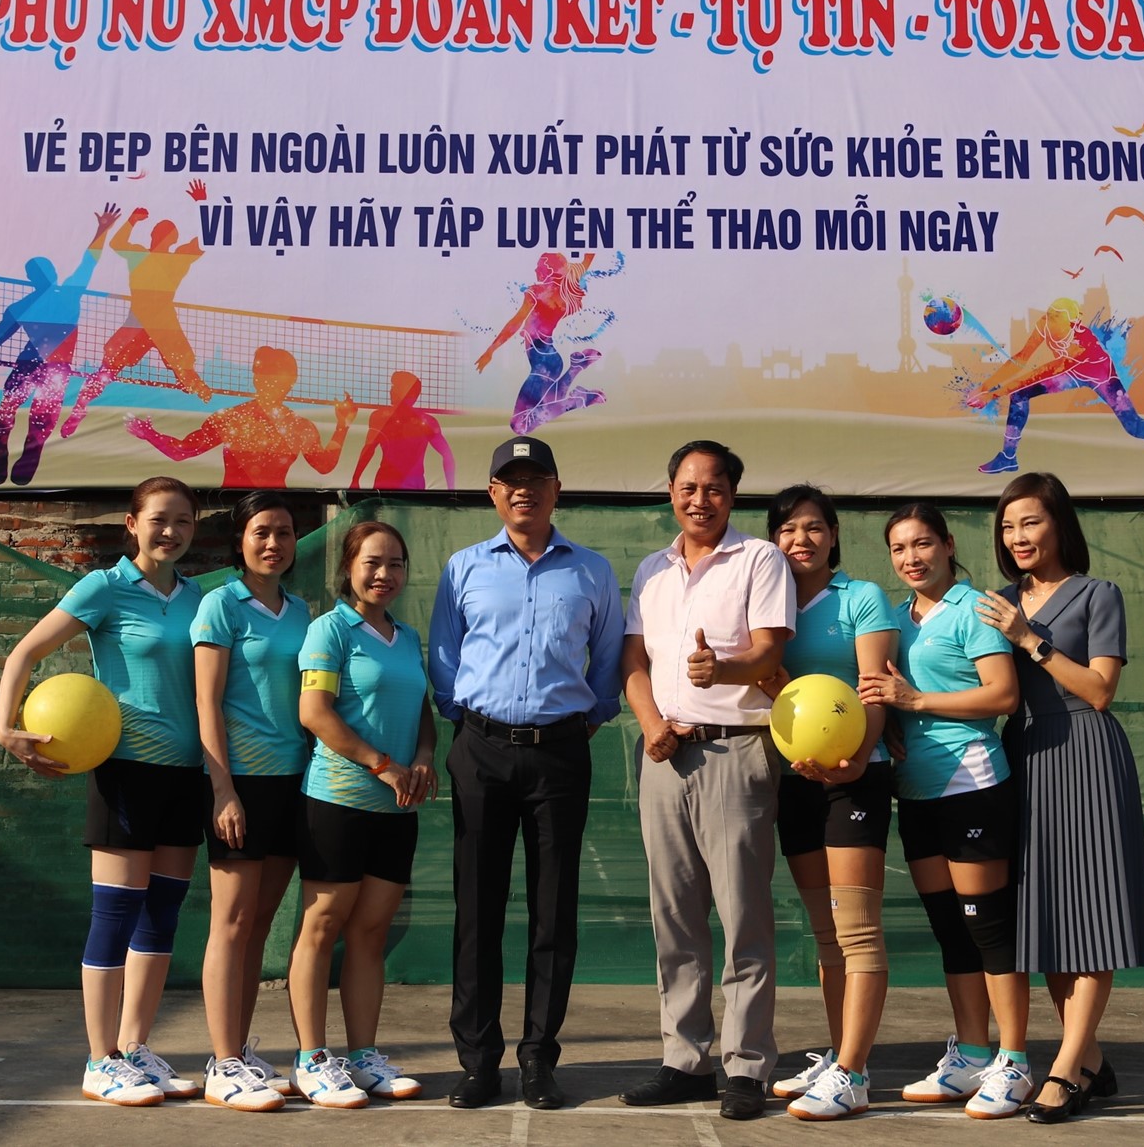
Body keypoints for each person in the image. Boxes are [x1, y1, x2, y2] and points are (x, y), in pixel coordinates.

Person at [0, 475, 207, 1107]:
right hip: (126, 773)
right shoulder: (104, 587)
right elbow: (23, 653)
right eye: (159, 519)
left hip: (186, 775)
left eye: (184, 521)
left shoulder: (200, 598)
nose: (171, 532)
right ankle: (99, 1059)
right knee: (115, 915)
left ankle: (135, 1050)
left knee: (161, 915)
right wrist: (6, 727)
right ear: (132, 525)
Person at [429, 436, 625, 1110]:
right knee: (476, 909)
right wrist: (467, 722)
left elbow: (606, 662)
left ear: (555, 489)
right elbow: (444, 656)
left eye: (536, 479)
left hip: (560, 752)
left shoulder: (591, 570)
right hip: (480, 749)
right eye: (510, 480)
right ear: (492, 492)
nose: (524, 491)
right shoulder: (463, 567)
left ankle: (539, 1057)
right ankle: (478, 1061)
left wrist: (579, 722)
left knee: (553, 911)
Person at [620, 439, 795, 1122]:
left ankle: (745, 1065)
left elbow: (768, 650)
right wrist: (651, 724)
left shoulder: (760, 559)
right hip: (664, 756)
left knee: (743, 915)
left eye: (714, 487)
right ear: (670, 492)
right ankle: (685, 1059)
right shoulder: (651, 570)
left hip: (736, 752)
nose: (700, 499)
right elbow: (633, 661)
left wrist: (720, 670)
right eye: (688, 487)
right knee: (674, 917)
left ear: (732, 494)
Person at [974, 471, 1144, 1124]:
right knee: (1046, 918)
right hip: (1021, 758)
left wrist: (1029, 638)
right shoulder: (994, 601)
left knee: (1092, 917)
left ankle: (1064, 1068)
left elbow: (1100, 689)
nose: (1017, 536)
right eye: (1007, 525)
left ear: (1059, 525)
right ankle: (1092, 1059)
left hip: (1085, 754)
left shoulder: (1099, 593)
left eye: (1030, 521)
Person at [864, 502, 1033, 1120]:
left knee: (987, 926)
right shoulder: (892, 619)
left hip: (973, 783)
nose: (911, 558)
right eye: (899, 548)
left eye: (923, 544)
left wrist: (917, 700)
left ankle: (1014, 1061)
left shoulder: (974, 609)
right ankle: (971, 1055)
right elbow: (884, 695)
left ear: (948, 544)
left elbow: (1003, 695)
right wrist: (892, 720)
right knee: (950, 930)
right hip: (915, 792)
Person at [287, 520, 439, 1109]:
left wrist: (422, 757)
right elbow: (315, 713)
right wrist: (382, 765)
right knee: (323, 926)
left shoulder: (407, 637)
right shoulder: (329, 630)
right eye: (372, 562)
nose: (384, 574)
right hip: (337, 801)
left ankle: (364, 1056)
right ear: (348, 568)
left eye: (395, 563)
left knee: (371, 933)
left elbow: (421, 708)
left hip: (397, 808)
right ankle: (311, 1059)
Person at [759, 485, 897, 1122]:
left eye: (814, 527)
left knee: (857, 929)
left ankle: (854, 1073)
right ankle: (840, 1055)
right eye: (788, 529)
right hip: (796, 777)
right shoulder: (768, 600)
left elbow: (875, 687)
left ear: (834, 535)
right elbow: (777, 687)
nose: (801, 540)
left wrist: (860, 756)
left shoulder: (861, 597)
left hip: (856, 778)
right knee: (826, 934)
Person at [189, 491, 311, 1111]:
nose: (274, 543)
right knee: (231, 923)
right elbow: (206, 703)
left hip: (294, 783)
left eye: (284, 532)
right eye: (262, 532)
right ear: (240, 541)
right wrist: (223, 790)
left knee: (260, 923)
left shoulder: (302, 610)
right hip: (239, 784)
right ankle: (223, 1065)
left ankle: (237, 1050)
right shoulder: (219, 604)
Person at [0, 203, 118, 486]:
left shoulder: (55, 297)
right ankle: (4, 450)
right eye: (42, 271)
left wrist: (102, 231)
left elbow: (88, 262)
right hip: (40, 367)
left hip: (48, 368)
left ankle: (26, 453)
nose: (47, 274)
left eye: (46, 270)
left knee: (33, 415)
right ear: (36, 278)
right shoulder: (42, 301)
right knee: (13, 411)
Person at [965, 297, 1144, 482]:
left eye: (1056, 317)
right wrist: (985, 387)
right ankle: (1008, 457)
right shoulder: (1044, 324)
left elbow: (1043, 372)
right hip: (1071, 371)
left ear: (1072, 324)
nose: (1049, 320)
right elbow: (1021, 358)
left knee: (1133, 426)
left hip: (1099, 374)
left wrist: (993, 394)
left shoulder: (1081, 344)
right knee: (1020, 394)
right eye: (1049, 314)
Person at [62, 179, 216, 438]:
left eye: (162, 232)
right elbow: (117, 244)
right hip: (147, 324)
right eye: (159, 232)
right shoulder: (145, 255)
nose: (159, 235)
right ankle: (78, 410)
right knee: (108, 371)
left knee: (186, 376)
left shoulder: (170, 257)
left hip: (158, 324)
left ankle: (200, 400)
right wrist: (132, 220)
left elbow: (208, 237)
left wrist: (202, 204)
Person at [129, 344, 358, 486]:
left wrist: (343, 425)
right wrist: (150, 435)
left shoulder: (298, 426)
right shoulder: (232, 418)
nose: (265, 380)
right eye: (261, 373)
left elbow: (324, 465)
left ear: (289, 381)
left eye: (271, 374)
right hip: (237, 511)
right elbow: (183, 451)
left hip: (274, 510)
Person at [476, 250, 609, 435]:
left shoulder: (537, 293)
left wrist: (490, 350)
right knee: (547, 405)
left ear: (549, 270)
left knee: (519, 424)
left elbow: (515, 323)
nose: (535, 270)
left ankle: (581, 397)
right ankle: (577, 368)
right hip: (549, 358)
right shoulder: (567, 289)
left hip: (542, 362)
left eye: (539, 267)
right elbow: (587, 260)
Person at [349, 370, 457, 491]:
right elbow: (368, 450)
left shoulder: (426, 422)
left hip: (405, 485)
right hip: (389, 483)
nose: (391, 391)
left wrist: (355, 479)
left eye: (395, 387)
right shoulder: (380, 417)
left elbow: (447, 455)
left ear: (407, 393)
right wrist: (355, 479)